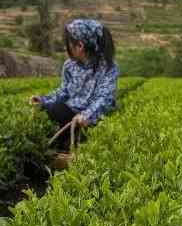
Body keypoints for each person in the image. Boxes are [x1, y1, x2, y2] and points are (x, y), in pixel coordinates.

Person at [30, 19, 119, 152]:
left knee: (59, 112)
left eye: (68, 44)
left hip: (92, 118)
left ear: (80, 46)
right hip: (70, 115)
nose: (66, 48)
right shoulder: (69, 65)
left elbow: (105, 97)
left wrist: (87, 115)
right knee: (52, 109)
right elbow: (64, 91)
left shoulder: (108, 67)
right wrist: (43, 100)